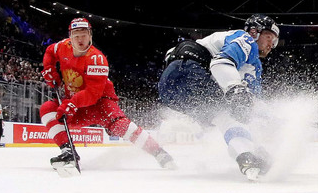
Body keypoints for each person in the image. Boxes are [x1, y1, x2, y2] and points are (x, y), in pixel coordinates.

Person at [40, 18, 175, 172]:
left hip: (100, 103)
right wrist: (49, 68)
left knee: (122, 127)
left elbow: (93, 94)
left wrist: (71, 103)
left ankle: (159, 153)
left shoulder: (97, 59)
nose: (80, 39)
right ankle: (67, 151)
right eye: (76, 35)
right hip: (76, 105)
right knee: (48, 109)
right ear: (70, 37)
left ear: (90, 35)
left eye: (84, 35)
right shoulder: (62, 47)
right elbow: (50, 51)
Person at [157, 14, 280, 181]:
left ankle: (247, 154)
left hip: (169, 90)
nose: (271, 45)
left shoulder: (252, 65)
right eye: (269, 38)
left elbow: (251, 104)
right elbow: (220, 64)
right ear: (254, 32)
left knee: (222, 115)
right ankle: (246, 156)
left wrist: (273, 117)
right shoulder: (245, 40)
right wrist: (236, 89)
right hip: (190, 70)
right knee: (226, 115)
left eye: (274, 42)